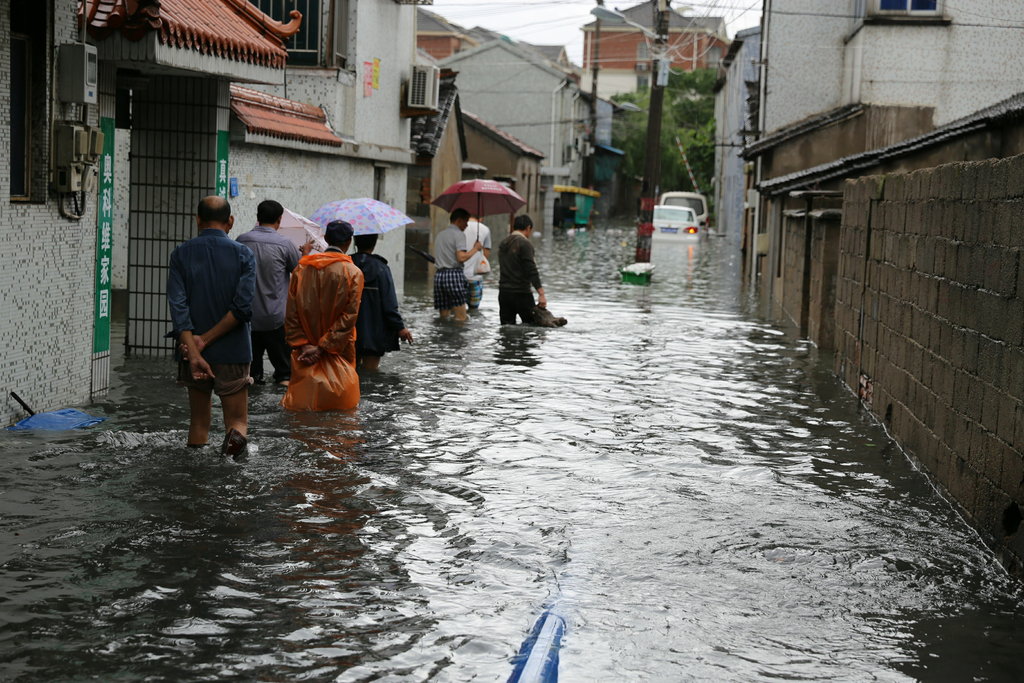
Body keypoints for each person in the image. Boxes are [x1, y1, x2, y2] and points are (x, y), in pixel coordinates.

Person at [167, 195, 256, 457]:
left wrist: (195, 349)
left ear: (197, 220)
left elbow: (178, 307)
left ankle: (194, 478)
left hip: (190, 351)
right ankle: (230, 476)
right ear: (230, 221)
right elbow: (242, 309)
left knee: (198, 423)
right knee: (237, 422)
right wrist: (205, 339)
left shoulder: (181, 254)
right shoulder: (243, 255)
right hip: (234, 349)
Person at [281, 221, 364, 411]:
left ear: (326, 239)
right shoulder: (353, 273)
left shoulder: (302, 270)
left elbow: (291, 312)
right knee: (342, 409)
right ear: (349, 241)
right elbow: (349, 317)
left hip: (305, 351)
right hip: (339, 349)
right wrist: (322, 347)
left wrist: (303, 344)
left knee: (303, 406)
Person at [236, 199, 305, 387]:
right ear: (279, 220)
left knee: (251, 376)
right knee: (284, 375)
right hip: (276, 318)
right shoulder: (284, 244)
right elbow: (300, 273)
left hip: (246, 318)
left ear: (257, 218)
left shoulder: (241, 241)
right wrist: (305, 254)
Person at [351, 234, 413, 371]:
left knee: (350, 373)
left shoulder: (346, 265)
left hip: (348, 331)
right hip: (374, 334)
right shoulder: (381, 268)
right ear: (374, 244)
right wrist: (400, 328)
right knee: (371, 373)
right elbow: (389, 303)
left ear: (354, 241)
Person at [433, 208, 482, 322]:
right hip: (453, 275)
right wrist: (475, 248)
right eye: (465, 222)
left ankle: (443, 338)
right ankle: (458, 339)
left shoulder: (440, 235)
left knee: (443, 317)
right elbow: (461, 257)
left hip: (439, 276)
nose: (467, 226)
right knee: (461, 317)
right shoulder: (459, 234)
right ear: (459, 220)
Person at [498, 214, 547, 325]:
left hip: (504, 293)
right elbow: (531, 270)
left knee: (507, 329)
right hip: (521, 293)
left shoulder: (503, 243)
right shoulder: (525, 244)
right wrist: (541, 294)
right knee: (532, 326)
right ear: (528, 228)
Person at [462, 216, 492, 310]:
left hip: (458, 276)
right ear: (481, 217)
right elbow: (486, 254)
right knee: (473, 311)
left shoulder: (458, 228)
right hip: (475, 277)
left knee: (457, 309)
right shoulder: (485, 229)